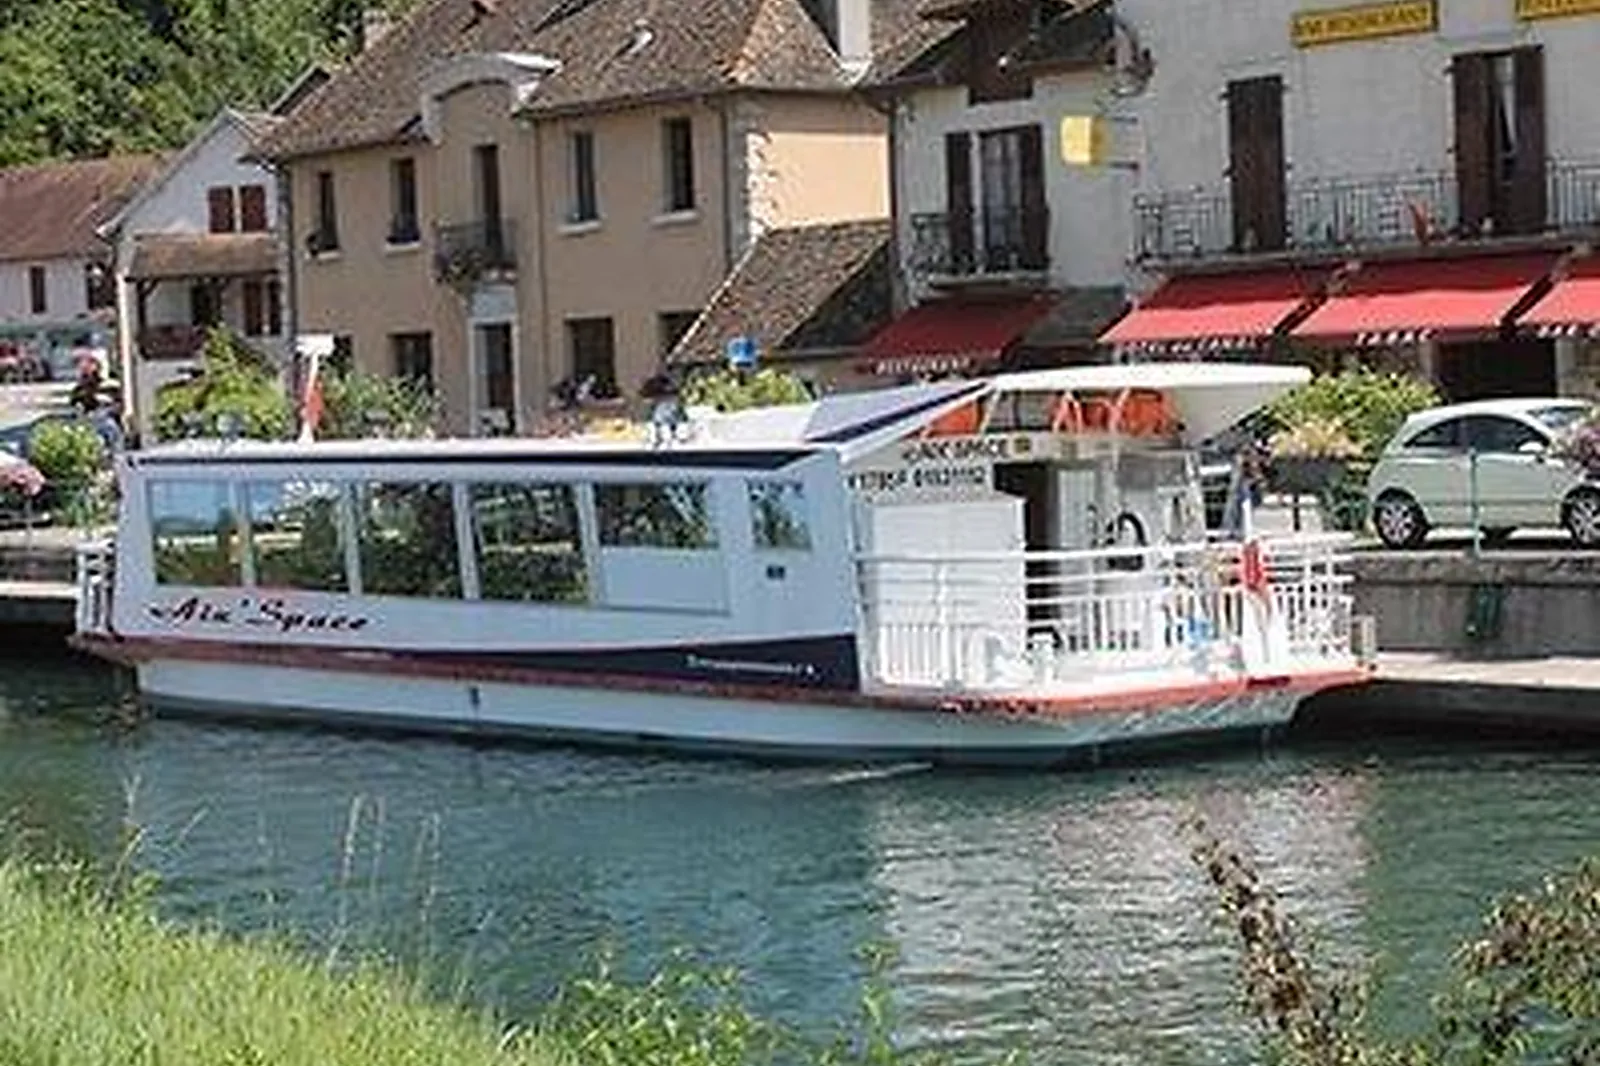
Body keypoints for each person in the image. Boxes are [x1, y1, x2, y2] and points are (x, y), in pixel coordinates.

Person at [1222, 440, 1268, 538]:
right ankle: (1234, 529)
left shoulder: (1250, 460)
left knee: (1242, 506)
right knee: (1238, 506)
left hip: (1247, 486)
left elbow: (1255, 472)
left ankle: (1237, 529)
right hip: (1244, 485)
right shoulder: (1244, 461)